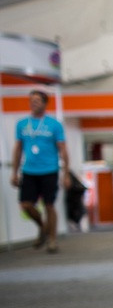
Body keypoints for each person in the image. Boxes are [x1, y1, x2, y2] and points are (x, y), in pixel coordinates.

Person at [9, 90, 70, 252]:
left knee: (49, 205)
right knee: (26, 205)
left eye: (36, 100)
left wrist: (66, 173)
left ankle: (52, 240)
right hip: (29, 170)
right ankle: (43, 227)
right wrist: (14, 172)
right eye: (31, 100)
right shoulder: (22, 124)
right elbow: (18, 149)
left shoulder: (54, 124)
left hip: (50, 170)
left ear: (44, 103)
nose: (33, 103)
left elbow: (63, 149)